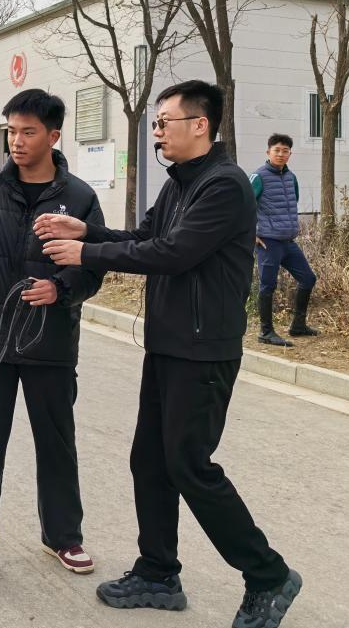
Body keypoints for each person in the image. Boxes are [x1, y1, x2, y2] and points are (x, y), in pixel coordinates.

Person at [38, 81, 301, 628]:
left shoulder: (224, 185)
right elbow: (143, 236)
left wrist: (85, 252)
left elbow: (172, 253)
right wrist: (87, 229)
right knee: (150, 461)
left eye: (164, 122)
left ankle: (268, 575)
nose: (156, 132)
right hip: (168, 344)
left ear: (200, 125)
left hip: (203, 351)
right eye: (156, 123)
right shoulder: (181, 182)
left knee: (189, 466)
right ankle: (158, 573)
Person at [0, 89, 106, 594]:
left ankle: (63, 537)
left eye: (28, 131)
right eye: (11, 130)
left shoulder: (80, 198)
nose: (16, 140)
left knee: (57, 444)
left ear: (53, 136)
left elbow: (95, 265)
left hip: (50, 341)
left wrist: (61, 289)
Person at [249, 134, 319, 347]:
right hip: (268, 242)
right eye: (277, 150)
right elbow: (242, 205)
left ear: (290, 154)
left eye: (285, 151)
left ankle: (298, 325)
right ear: (268, 152)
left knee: (308, 279)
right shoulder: (258, 177)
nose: (281, 154)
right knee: (268, 285)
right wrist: (250, 234)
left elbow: (293, 202)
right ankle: (266, 332)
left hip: (288, 241)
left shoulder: (291, 178)